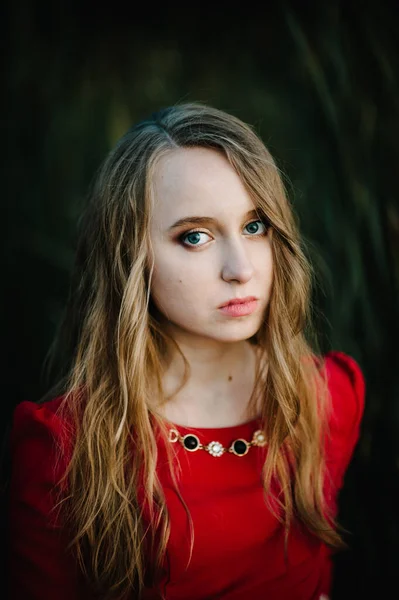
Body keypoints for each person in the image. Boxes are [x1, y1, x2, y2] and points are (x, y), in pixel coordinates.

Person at [7, 102, 365, 600]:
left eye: (255, 225)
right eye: (195, 236)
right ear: (131, 257)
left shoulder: (329, 398)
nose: (241, 268)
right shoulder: (64, 451)